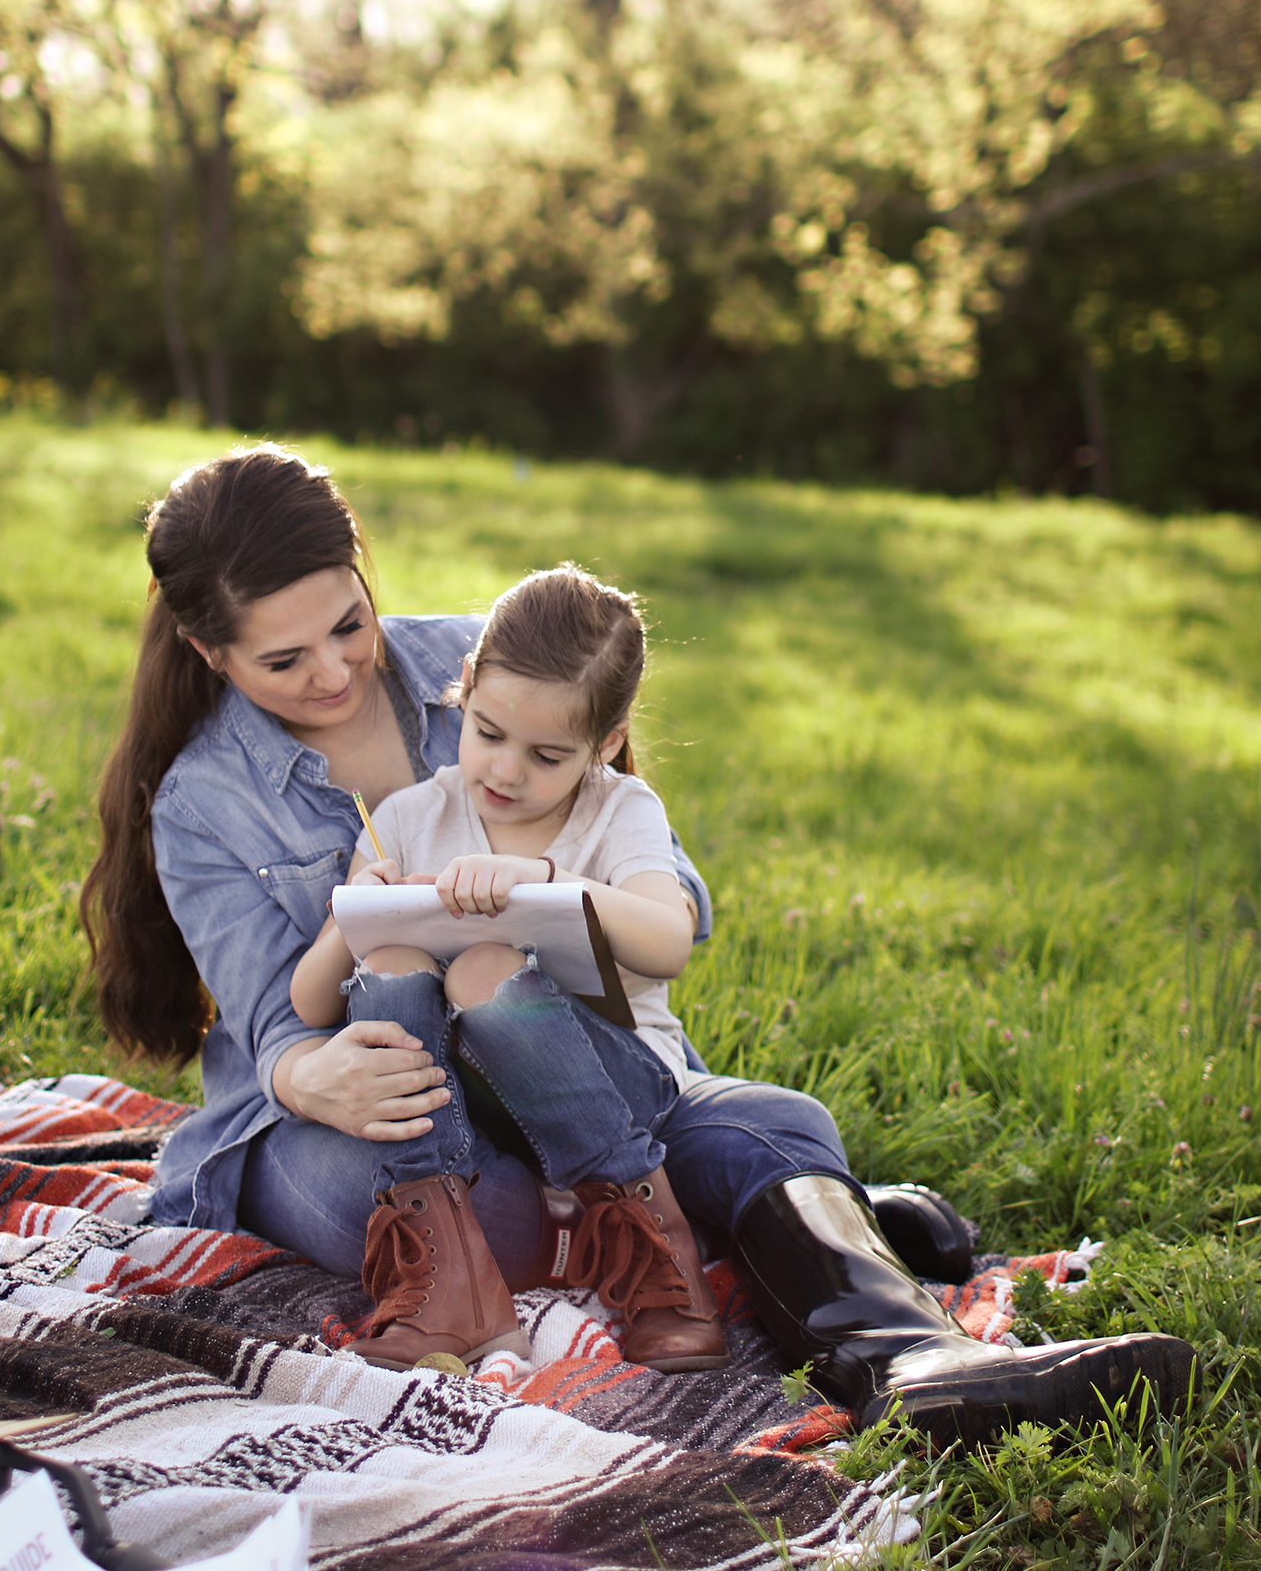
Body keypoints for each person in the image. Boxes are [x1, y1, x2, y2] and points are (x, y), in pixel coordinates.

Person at [82, 443, 1197, 1445]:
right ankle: (778, 1217)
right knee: (509, 1205)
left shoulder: (490, 664)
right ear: (208, 650)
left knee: (773, 1118)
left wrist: (542, 892)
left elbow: (661, 892)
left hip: (552, 1052)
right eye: (284, 661)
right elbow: (274, 1014)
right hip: (355, 1116)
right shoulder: (203, 801)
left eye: (348, 625)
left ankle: (912, 1362)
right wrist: (304, 1068)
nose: (332, 673)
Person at [288, 564, 729, 1374]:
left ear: (606, 742)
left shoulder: (619, 812)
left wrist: (553, 884)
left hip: (618, 1089)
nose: (506, 771)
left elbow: (669, 941)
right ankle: (446, 1274)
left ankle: (653, 1247)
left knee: (487, 967)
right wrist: (351, 916)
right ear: (463, 690)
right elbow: (311, 1002)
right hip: (470, 1112)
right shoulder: (409, 822)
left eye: (548, 755)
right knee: (390, 957)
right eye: (487, 732)